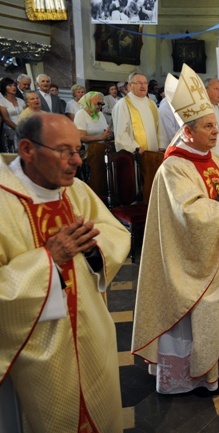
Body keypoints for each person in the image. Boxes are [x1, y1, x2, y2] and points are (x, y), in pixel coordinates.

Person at [131, 64, 219, 394]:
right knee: (193, 319)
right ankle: (191, 377)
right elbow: (191, 216)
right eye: (207, 127)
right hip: (191, 264)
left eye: (215, 125)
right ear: (187, 132)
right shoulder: (175, 168)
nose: (216, 132)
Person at [0, 112, 130, 432]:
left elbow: (114, 234)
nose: (76, 160)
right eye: (64, 151)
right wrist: (49, 259)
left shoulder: (76, 192)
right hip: (35, 346)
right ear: (28, 149)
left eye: (78, 149)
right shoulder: (4, 202)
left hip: (90, 329)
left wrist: (92, 250)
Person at [112, 71, 167, 153]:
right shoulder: (123, 104)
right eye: (139, 83)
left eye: (145, 83)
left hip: (153, 154)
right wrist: (137, 149)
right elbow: (121, 134)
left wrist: (162, 145)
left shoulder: (151, 104)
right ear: (130, 85)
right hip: (136, 155)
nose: (143, 86)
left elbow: (160, 127)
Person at [0, 77, 26, 152]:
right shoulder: (1, 102)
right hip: (10, 133)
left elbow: (26, 115)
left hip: (24, 130)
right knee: (12, 155)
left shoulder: (21, 101)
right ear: (4, 87)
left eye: (14, 85)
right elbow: (6, 119)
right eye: (10, 85)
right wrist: (19, 129)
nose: (13, 87)